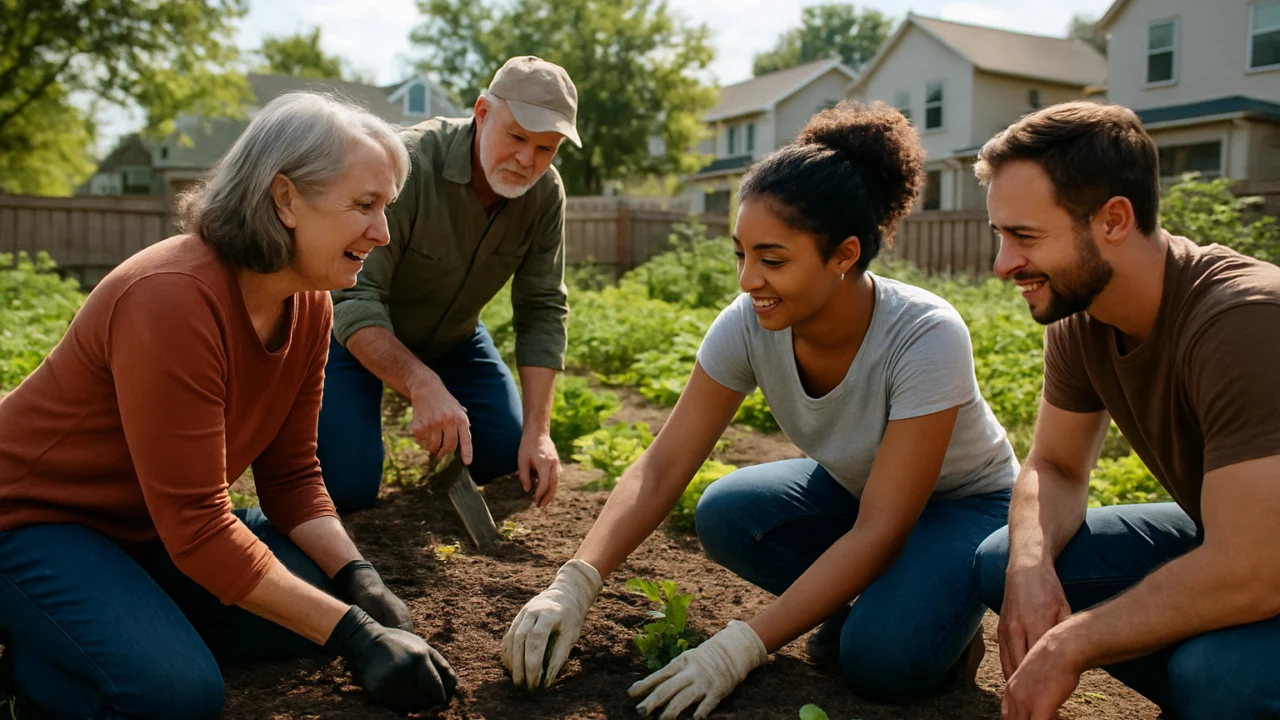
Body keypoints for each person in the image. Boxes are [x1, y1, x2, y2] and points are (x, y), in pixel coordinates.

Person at [501, 101, 1021, 718]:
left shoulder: (924, 334)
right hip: (858, 493)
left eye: (773, 260)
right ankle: (890, 607)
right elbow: (664, 464)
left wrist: (743, 644)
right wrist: (577, 579)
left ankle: (932, 630)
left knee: (879, 664)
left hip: (963, 504)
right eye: (741, 254)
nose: (749, 279)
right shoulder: (750, 324)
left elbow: (883, 529)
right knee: (728, 512)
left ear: (844, 256)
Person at [0, 92, 459, 719]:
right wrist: (356, 632)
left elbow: (292, 477)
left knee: (320, 589)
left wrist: (360, 581)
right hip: (33, 524)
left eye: (387, 207)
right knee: (175, 697)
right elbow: (196, 523)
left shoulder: (309, 303)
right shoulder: (172, 296)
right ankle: (40, 653)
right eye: (365, 205)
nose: (382, 232)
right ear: (285, 198)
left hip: (148, 530)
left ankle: (113, 620)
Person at [971, 101, 1280, 720]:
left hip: (1263, 556)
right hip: (1242, 541)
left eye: (1025, 236)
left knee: (1215, 678)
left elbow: (1255, 569)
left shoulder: (1247, 320)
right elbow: (1055, 465)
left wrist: (1069, 644)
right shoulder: (1082, 317)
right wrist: (1029, 567)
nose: (1002, 264)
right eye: (1001, 235)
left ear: (1114, 219)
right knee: (1002, 561)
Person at [317, 55, 580, 512]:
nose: (527, 160)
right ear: (482, 113)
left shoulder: (544, 194)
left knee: (504, 458)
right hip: (351, 337)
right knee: (346, 489)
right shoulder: (406, 164)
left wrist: (538, 432)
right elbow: (355, 298)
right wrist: (421, 383)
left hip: (456, 339)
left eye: (546, 148)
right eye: (516, 137)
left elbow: (541, 308)